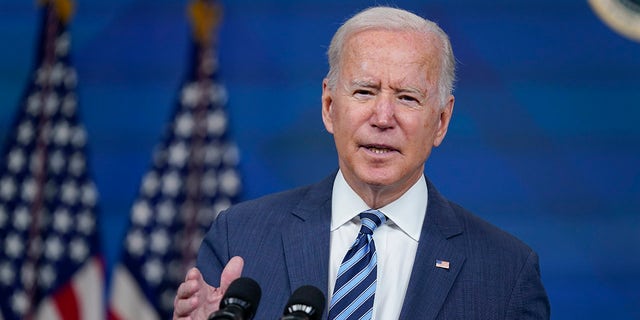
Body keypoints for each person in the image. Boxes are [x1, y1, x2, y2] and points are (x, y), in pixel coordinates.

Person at [173, 6, 550, 320]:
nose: (383, 117)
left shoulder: (505, 273)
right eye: (364, 92)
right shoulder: (240, 237)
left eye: (407, 98)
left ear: (441, 121)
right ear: (329, 106)